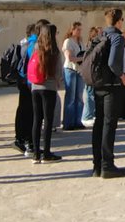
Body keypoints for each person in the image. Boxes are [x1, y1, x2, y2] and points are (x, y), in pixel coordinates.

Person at [92, 8, 125, 178]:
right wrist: (123, 77)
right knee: (109, 125)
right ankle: (107, 165)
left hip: (98, 84)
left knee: (99, 124)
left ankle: (97, 165)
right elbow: (113, 63)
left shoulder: (99, 36)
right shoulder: (117, 37)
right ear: (119, 21)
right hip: (111, 86)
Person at [27, 21, 63, 164]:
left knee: (37, 119)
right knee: (48, 121)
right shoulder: (54, 51)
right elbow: (58, 72)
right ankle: (46, 153)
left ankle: (36, 153)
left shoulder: (36, 47)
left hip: (35, 86)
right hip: (49, 87)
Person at [12, 24, 36, 156]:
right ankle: (27, 141)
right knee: (29, 111)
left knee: (22, 109)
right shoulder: (32, 45)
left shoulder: (24, 43)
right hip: (29, 82)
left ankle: (20, 138)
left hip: (22, 80)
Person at [61, 21, 86, 130]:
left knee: (79, 97)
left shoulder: (81, 42)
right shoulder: (68, 41)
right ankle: (68, 122)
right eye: (77, 29)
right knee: (70, 97)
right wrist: (82, 58)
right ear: (72, 30)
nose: (79, 31)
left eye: (80, 29)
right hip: (70, 69)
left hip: (79, 70)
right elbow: (70, 58)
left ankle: (77, 121)